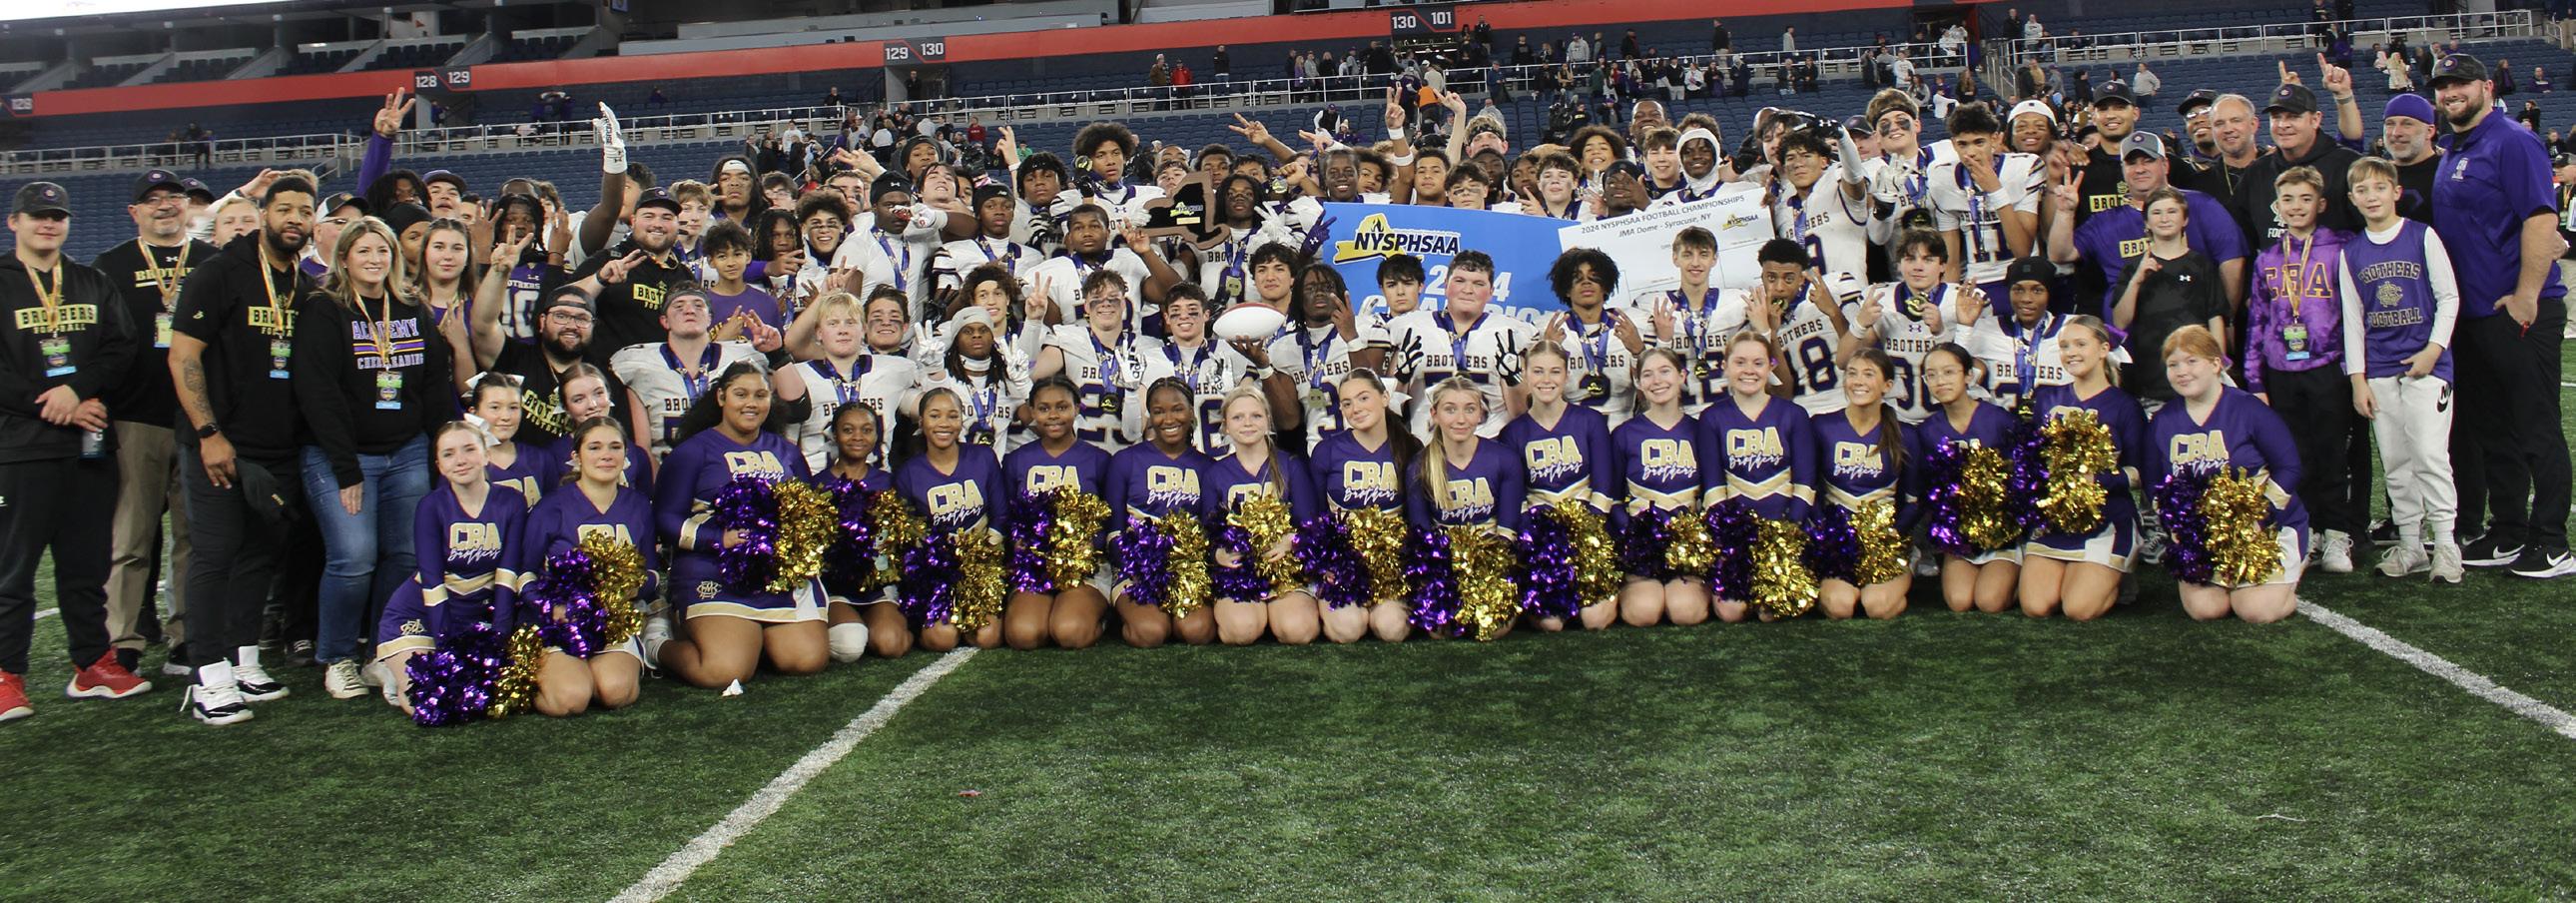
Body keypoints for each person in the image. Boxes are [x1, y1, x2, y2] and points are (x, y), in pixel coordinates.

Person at [0, 180, 149, 722]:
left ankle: (91, 664)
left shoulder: (90, 280)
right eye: (37, 215)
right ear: (14, 222)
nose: (49, 223)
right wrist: (52, 404)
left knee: (87, 564)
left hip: (87, 445)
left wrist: (78, 390)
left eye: (58, 216)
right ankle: (6, 674)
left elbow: (122, 347)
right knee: (12, 569)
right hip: (19, 448)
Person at [168, 175, 314, 724]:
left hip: (278, 446)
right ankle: (207, 675)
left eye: (305, 210)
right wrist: (208, 433)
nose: (294, 218)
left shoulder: (303, 284)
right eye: (285, 208)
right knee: (215, 554)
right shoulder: (218, 272)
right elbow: (183, 356)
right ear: (263, 213)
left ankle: (243, 659)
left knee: (259, 555)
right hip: (219, 442)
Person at [2426, 54, 2573, 578]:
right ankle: (2508, 530)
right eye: (2443, 86)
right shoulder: (2455, 148)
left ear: (2487, 87)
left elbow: (2541, 217)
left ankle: (2552, 542)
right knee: (2494, 431)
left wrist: (2526, 295)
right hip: (2474, 316)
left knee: (2535, 426)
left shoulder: (2512, 140)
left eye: (2461, 83)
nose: (2451, 93)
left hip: (2517, 309)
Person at [293, 216, 447, 700]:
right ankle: (337, 656)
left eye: (383, 251)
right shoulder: (325, 308)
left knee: (405, 554)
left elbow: (434, 382)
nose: (375, 259)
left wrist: (445, 444)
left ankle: (382, 650)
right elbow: (318, 392)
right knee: (353, 557)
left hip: (407, 451)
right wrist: (345, 467)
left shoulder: (411, 306)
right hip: (342, 455)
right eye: (363, 251)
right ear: (343, 258)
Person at [94, 170, 218, 674]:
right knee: (131, 537)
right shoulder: (110, 266)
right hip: (134, 418)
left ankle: (186, 634)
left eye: (173, 197)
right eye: (152, 199)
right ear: (134, 212)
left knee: (194, 535)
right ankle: (123, 639)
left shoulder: (211, 261)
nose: (164, 205)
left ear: (187, 206)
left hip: (198, 418)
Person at [654, 362, 828, 688]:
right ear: (721, 397)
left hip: (776, 576)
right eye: (741, 394)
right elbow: (665, 519)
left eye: (760, 395)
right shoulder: (693, 451)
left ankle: (749, 639)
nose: (751, 403)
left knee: (806, 660)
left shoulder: (787, 452)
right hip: (713, 571)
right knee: (725, 672)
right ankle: (657, 642)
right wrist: (718, 538)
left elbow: (808, 511)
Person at [2341, 155, 2463, 582]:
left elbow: (2448, 297)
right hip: (2379, 368)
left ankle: (2446, 545)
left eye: (2379, 187)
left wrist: (2434, 349)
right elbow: (2353, 320)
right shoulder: (2351, 252)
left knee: (2429, 454)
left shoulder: (2422, 235)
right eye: (2362, 190)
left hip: (2426, 366)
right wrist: (2358, 379)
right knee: (2395, 460)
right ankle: (2411, 544)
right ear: (2352, 199)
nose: (2371, 196)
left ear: (2396, 192)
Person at [366, 422, 529, 714]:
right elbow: (432, 581)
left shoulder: (512, 501)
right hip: (419, 613)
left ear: (486, 455)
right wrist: (447, 650)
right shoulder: (431, 506)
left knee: (491, 699)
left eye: (469, 449)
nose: (460, 460)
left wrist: (500, 638)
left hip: (478, 615)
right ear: (439, 466)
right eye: (449, 454)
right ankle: (397, 670)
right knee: (429, 702)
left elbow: (507, 575)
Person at [2243, 167, 2359, 572]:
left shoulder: (2340, 248)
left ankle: (2338, 535)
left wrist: (2351, 367)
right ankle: (2307, 534)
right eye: (2288, 200)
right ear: (2277, 207)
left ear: (2321, 204)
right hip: (2280, 370)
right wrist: (2254, 378)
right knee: (2295, 456)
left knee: (2333, 452)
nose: (2296, 207)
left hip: (2327, 365)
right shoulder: (2267, 258)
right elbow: (2257, 319)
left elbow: (2354, 313)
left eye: (2305, 199)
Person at [2148, 326, 2304, 623]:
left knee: (2255, 610)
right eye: (2173, 364)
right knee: (2206, 610)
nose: (2182, 371)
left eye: (2191, 361)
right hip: (2203, 537)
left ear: (2216, 364)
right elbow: (2154, 482)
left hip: (2264, 529)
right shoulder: (2163, 420)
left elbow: (2289, 467)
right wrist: (2177, 525)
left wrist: (2259, 516)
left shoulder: (2249, 409)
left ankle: (2291, 573)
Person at [2018, 316, 2147, 620]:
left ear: (2103, 349)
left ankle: (2117, 576)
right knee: (2036, 607)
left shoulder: (2125, 406)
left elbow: (2140, 473)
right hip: (2056, 520)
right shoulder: (2047, 398)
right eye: (2064, 346)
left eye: (2080, 344)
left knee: (2077, 609)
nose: (2071, 352)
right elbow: (2034, 459)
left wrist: (2098, 480)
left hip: (2109, 518)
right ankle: (2090, 573)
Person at [1696, 332, 1815, 623]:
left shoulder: (1793, 414)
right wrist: (1731, 537)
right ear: (1725, 366)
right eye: (1740, 362)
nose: (1749, 370)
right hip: (1736, 535)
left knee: (1773, 611)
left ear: (1771, 366)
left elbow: (1806, 483)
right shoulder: (1711, 417)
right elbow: (1713, 487)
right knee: (1731, 611)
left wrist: (1786, 533)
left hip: (1784, 531)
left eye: (1758, 363)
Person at [999, 378, 1114, 651]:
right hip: (1034, 568)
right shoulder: (1016, 460)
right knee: (1023, 635)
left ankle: (1099, 615)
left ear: (1077, 408)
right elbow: (1007, 517)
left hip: (1084, 569)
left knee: (1070, 633)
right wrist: (1020, 548)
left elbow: (1109, 520)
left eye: (1062, 407)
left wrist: (1086, 548)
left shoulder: (1099, 459)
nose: (1053, 415)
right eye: (1044, 408)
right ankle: (1048, 609)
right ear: (1032, 411)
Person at [1202, 385, 1321, 645]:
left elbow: (1310, 525)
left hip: (1284, 570)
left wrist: (1291, 542)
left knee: (1298, 632)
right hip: (1239, 573)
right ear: (1226, 426)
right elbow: (1208, 533)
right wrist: (1218, 554)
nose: (1247, 423)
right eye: (1238, 417)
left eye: (1256, 416)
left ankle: (1278, 614)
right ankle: (1254, 615)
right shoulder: (1215, 473)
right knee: (1241, 632)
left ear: (1268, 420)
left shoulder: (1291, 465)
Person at [1104, 378, 1218, 647]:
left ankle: (1172, 616)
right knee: (1150, 632)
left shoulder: (1207, 466)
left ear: (1191, 412)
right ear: (1150, 416)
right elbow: (1114, 529)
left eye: (1177, 409)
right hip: (1136, 570)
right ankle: (1133, 616)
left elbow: (1211, 529)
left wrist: (1186, 565)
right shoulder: (1125, 460)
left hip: (1188, 571)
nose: (1169, 419)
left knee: (1198, 632)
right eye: (1158, 411)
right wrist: (1142, 565)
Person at [897, 386, 1009, 652]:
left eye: (952, 415)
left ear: (961, 421)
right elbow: (908, 534)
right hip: (936, 572)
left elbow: (1001, 514)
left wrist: (983, 554)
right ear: (921, 422)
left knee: (987, 637)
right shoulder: (908, 472)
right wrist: (936, 561)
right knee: (943, 638)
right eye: (934, 416)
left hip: (981, 566)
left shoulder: (983, 457)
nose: (944, 423)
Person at [1308, 370, 1415, 642]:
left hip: (1390, 568)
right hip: (1342, 566)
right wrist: (1326, 563)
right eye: (1347, 403)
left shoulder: (1410, 447)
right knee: (1349, 629)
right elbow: (1315, 517)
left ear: (1384, 397)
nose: (1355, 408)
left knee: (1391, 629)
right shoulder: (1326, 451)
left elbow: (1416, 519)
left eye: (1363, 398)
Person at [1915, 343, 2022, 611]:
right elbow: (1929, 489)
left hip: (2002, 533)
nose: (1940, 381)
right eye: (1932, 375)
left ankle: (2024, 576)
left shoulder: (1999, 420)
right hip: (1960, 536)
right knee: (1960, 601)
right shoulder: (1928, 431)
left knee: (1989, 601)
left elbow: (2025, 477)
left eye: (1949, 372)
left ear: (1968, 376)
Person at [609, 285, 770, 460]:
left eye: (698, 305)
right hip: (667, 467)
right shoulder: (639, 363)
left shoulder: (741, 356)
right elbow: (644, 448)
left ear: (709, 318)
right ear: (665, 321)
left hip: (731, 467)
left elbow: (792, 402)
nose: (689, 310)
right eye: (679, 306)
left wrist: (777, 353)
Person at [2108, 187, 2231, 414]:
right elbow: (2120, 322)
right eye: (2157, 213)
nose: (2164, 218)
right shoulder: (2133, 268)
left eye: (2172, 211)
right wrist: (2137, 280)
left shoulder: (2202, 265)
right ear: (2146, 222)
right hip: (2152, 382)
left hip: (2199, 377)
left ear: (2185, 219)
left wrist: (2219, 368)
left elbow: (2215, 318)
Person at [1385, 252, 1532, 441]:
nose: (1468, 290)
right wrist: (1401, 379)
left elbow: (1521, 414)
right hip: (1427, 445)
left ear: (1491, 291)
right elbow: (1389, 410)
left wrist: (1514, 378)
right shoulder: (1412, 328)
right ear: (1445, 284)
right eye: (1460, 281)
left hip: (1489, 445)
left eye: (1478, 283)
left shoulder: (1507, 332)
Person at [1610, 349, 1709, 627]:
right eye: (1648, 374)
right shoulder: (1624, 434)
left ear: (1682, 376)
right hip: (1642, 550)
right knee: (1642, 613)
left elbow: (1713, 492)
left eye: (1665, 371)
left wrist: (1695, 540)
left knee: (1685, 613)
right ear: (1638, 383)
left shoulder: (1700, 431)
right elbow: (1612, 499)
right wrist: (1636, 538)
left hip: (1688, 550)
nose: (1657, 381)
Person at [1810, 349, 1912, 619]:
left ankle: (1896, 584)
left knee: (1877, 606)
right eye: (1852, 373)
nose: (1858, 381)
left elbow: (1915, 500)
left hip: (1884, 543)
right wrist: (1827, 535)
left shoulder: (1905, 434)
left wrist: (1890, 537)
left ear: (1887, 385)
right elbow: (1810, 489)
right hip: (1838, 544)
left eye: (1869, 374)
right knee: (1840, 607)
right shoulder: (1822, 426)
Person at [776, 290, 919, 471]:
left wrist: (935, 371)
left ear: (863, 329)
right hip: (818, 483)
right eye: (833, 323)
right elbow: (787, 446)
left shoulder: (894, 369)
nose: (842, 330)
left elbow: (931, 411)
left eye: (850, 322)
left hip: (877, 482)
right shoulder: (799, 376)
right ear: (819, 333)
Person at [1927, 104, 2043, 304]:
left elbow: (2023, 252)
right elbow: (1952, 263)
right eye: (1963, 144)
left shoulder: (2024, 167)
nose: (1971, 152)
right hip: (1975, 283)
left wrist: (1996, 190)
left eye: (1979, 142)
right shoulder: (1942, 178)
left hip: (2022, 279)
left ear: (1995, 139)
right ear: (1953, 144)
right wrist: (1948, 303)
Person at [1541, 249, 1642, 426]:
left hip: (1622, 432)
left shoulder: (1631, 326)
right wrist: (1546, 355)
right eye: (1577, 277)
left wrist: (1639, 352)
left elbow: (1651, 397)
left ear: (1606, 286)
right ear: (1566, 289)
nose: (1586, 282)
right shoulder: (1549, 329)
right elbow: (1537, 403)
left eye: (1594, 276)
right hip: (1571, 434)